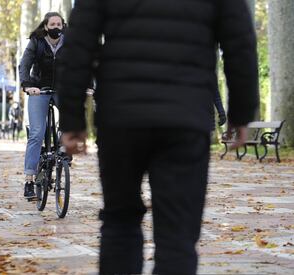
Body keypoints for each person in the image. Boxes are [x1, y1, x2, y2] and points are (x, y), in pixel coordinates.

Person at [57, 0, 259, 274]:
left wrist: (72, 119)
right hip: (185, 118)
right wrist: (241, 114)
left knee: (120, 221)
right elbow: (240, 43)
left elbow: (79, 41)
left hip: (121, 117)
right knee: (178, 232)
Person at [19, 12, 66, 199]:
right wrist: (28, 86)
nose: (56, 27)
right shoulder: (36, 42)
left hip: (62, 89)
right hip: (39, 89)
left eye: (59, 24)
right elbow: (24, 65)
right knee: (37, 133)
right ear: (46, 26)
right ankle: (29, 181)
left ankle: (63, 148)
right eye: (52, 24)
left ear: (63, 26)